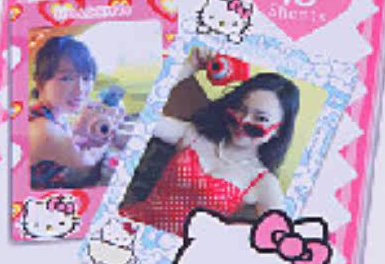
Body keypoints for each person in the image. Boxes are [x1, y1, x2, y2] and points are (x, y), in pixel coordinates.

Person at [120, 48, 296, 236]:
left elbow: (279, 242)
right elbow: (136, 117)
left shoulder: (264, 183)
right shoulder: (192, 134)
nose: (243, 120)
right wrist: (189, 67)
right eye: (240, 108)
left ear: (278, 130)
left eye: (260, 118)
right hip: (130, 226)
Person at [28, 35, 108, 189]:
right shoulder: (44, 130)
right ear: (40, 81)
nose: (80, 90)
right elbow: (87, 162)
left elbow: (70, 141)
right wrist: (108, 137)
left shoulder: (53, 115)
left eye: (86, 78)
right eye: (66, 78)